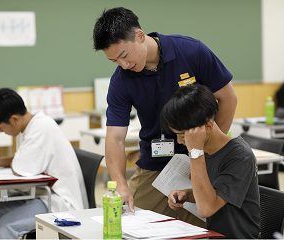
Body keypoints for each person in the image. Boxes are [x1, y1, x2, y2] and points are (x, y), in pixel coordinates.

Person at [93, 7, 237, 227]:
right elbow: (115, 138)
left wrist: (208, 151)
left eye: (124, 55)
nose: (123, 65)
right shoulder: (121, 80)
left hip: (200, 159)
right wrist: (120, 184)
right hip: (154, 164)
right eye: (115, 61)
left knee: (203, 227)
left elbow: (228, 98)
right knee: (131, 225)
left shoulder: (191, 51)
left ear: (140, 36)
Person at [0, 88, 88, 239]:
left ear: (14, 119)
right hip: (38, 194)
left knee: (6, 227)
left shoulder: (41, 128)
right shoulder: (28, 126)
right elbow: (23, 157)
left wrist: (10, 162)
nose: (1, 132)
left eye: (0, 127)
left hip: (58, 202)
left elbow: (20, 168)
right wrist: (0, 161)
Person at [161, 84, 260, 239]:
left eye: (183, 134)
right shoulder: (205, 152)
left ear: (207, 126)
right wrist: (186, 195)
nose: (179, 141)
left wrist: (195, 152)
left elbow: (206, 208)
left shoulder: (239, 156)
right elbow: (215, 194)